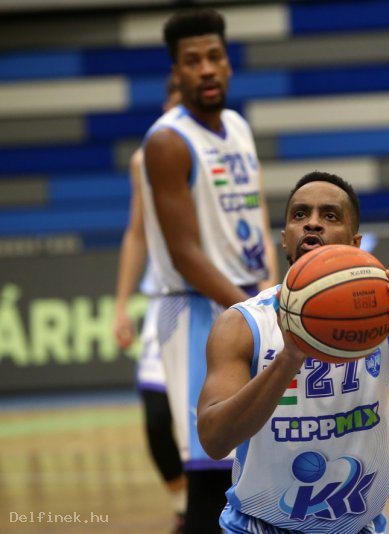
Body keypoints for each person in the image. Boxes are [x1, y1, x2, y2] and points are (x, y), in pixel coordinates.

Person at [197, 171, 389, 533]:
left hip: (359, 526)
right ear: (285, 237)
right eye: (300, 214)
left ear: (355, 243)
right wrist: (288, 359)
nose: (312, 223)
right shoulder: (242, 325)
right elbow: (214, 441)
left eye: (330, 215)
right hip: (259, 526)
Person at [141, 8, 279, 532]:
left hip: (245, 298)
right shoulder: (167, 142)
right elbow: (185, 254)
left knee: (253, 463)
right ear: (176, 72)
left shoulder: (238, 126)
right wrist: (258, 309)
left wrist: (268, 289)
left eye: (214, 56)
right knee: (210, 472)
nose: (206, 69)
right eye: (192, 60)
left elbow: (254, 224)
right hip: (196, 310)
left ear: (228, 63)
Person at [113, 78, 187, 532]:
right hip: (166, 301)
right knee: (157, 417)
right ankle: (182, 505)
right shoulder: (144, 160)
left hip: (217, 300)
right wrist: (121, 304)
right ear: (165, 106)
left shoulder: (225, 149)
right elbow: (137, 232)